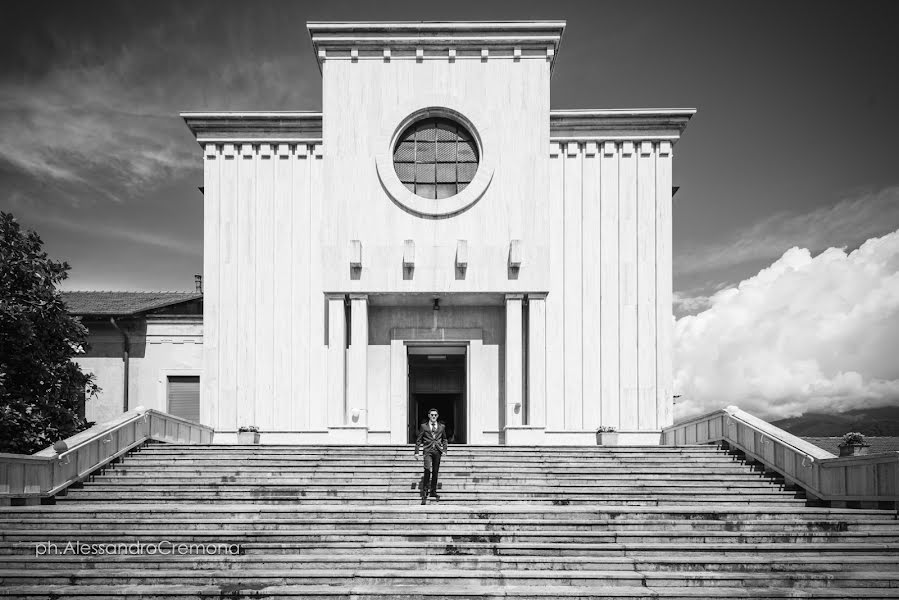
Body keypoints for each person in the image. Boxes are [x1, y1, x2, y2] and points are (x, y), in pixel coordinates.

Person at [414, 408, 447, 505]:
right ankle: (425, 491)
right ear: (429, 415)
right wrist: (416, 452)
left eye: (435, 415)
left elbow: (444, 439)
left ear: (437, 416)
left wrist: (444, 449)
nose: (433, 416)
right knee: (427, 469)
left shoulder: (442, 427)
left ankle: (433, 491)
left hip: (437, 451)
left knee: (435, 472)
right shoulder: (423, 426)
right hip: (427, 451)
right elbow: (419, 440)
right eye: (432, 415)